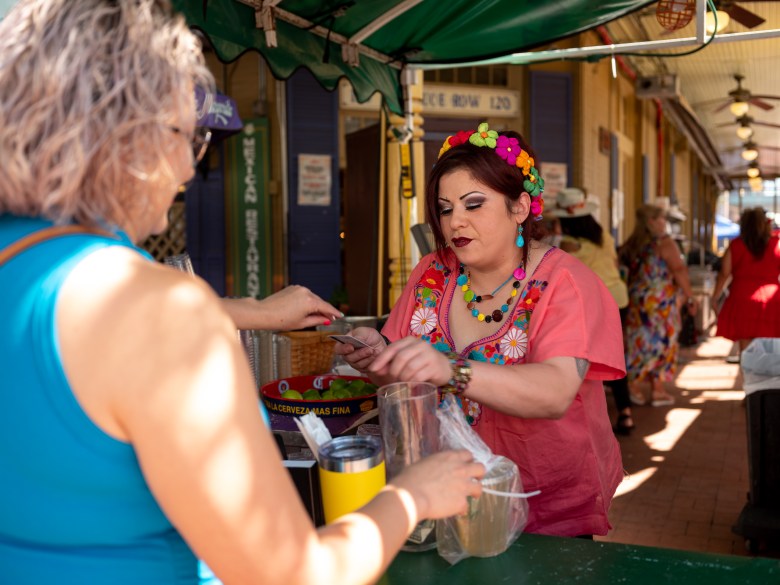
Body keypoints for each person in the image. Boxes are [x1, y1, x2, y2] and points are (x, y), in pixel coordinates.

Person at [0, 2, 485, 584]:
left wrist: (248, 311)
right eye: (189, 135)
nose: (188, 167)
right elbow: (296, 573)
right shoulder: (159, 314)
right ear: (131, 134)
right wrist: (411, 496)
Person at [337, 123, 626, 538]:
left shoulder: (565, 283)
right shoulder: (433, 272)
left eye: (474, 204)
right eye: (446, 208)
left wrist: (451, 369)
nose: (456, 222)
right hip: (444, 492)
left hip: (540, 503)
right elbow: (401, 376)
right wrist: (376, 356)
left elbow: (555, 391)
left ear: (520, 208)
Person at [549, 187, 634, 435]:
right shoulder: (604, 235)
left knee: (586, 358)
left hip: (597, 303)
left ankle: (589, 416)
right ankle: (625, 412)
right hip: (619, 297)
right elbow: (615, 264)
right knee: (614, 355)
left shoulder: (569, 244)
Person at [618, 204, 698, 407]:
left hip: (638, 300)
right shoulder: (665, 243)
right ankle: (657, 390)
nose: (665, 223)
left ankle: (633, 386)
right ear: (651, 221)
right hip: (661, 302)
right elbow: (679, 270)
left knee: (639, 342)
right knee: (663, 342)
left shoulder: (633, 243)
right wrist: (690, 297)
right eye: (662, 218)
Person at [712, 207, 780, 360]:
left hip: (742, 299)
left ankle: (749, 382)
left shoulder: (736, 245)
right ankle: (767, 382)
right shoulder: (776, 244)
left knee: (746, 350)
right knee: (771, 349)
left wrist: (715, 297)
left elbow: (724, 273)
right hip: (772, 302)